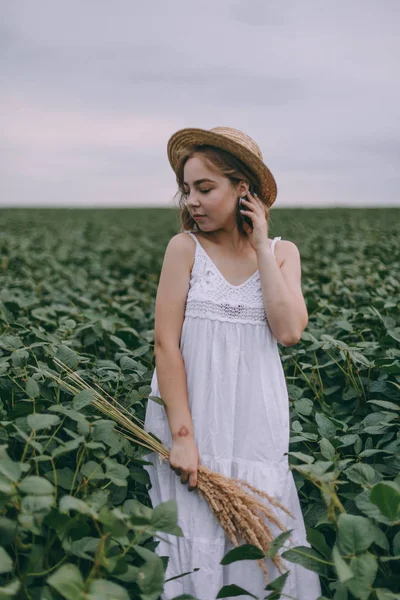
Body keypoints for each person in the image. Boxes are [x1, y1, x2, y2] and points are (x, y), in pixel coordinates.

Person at [143, 127, 322, 599]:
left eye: (205, 188)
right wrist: (182, 439)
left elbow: (289, 331)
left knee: (259, 538)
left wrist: (262, 244)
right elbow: (166, 344)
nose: (192, 201)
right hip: (194, 424)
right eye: (187, 189)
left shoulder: (282, 254)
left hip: (255, 426)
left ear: (243, 188)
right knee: (194, 539)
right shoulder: (184, 249)